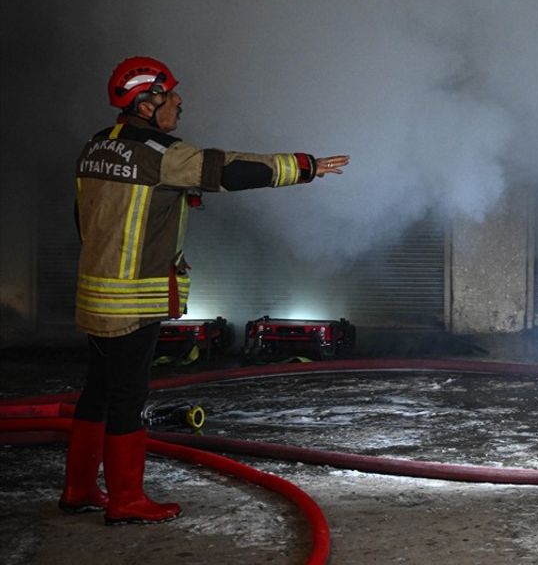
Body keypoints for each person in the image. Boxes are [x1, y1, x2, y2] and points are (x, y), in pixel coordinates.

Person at [61, 56, 350, 525]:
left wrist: (162, 253)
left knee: (97, 390)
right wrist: (305, 166)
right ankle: (127, 500)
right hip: (130, 299)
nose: (178, 102)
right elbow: (228, 169)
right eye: (170, 94)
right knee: (127, 399)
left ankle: (77, 489)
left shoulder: (95, 147)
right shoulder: (160, 153)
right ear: (145, 102)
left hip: (94, 293)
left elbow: (95, 221)